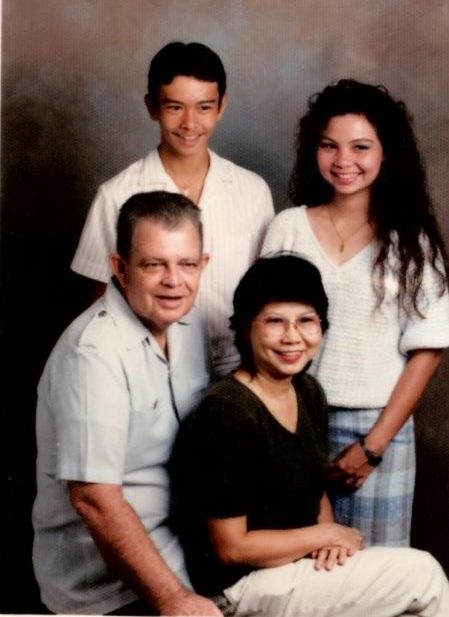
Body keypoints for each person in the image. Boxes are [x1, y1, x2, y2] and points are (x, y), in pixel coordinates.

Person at [170, 254, 449, 617]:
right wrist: (325, 536)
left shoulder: (308, 391)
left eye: (306, 321)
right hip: (237, 585)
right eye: (274, 322)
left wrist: (330, 538)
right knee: (422, 576)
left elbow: (314, 490)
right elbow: (230, 548)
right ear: (244, 328)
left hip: (291, 567)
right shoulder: (226, 411)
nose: (292, 337)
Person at [261, 79, 449, 546]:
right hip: (292, 419)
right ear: (314, 151)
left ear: (386, 153)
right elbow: (258, 328)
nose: (344, 161)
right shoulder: (288, 228)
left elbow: (428, 349)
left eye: (360, 147)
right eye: (330, 146)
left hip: (377, 429)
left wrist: (372, 447)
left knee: (375, 582)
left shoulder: (412, 242)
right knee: (301, 573)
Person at [32, 192, 222, 616]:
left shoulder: (188, 326)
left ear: (203, 265)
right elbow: (94, 499)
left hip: (181, 556)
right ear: (119, 268)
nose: (175, 281)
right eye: (154, 264)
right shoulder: (94, 352)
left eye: (187, 264)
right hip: (107, 587)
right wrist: (173, 599)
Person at [71, 41, 274, 376]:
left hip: (238, 369)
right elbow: (98, 307)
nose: (189, 123)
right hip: (149, 369)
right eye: (175, 107)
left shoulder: (253, 191)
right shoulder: (116, 195)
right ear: (152, 107)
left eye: (204, 107)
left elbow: (266, 290)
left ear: (222, 106)